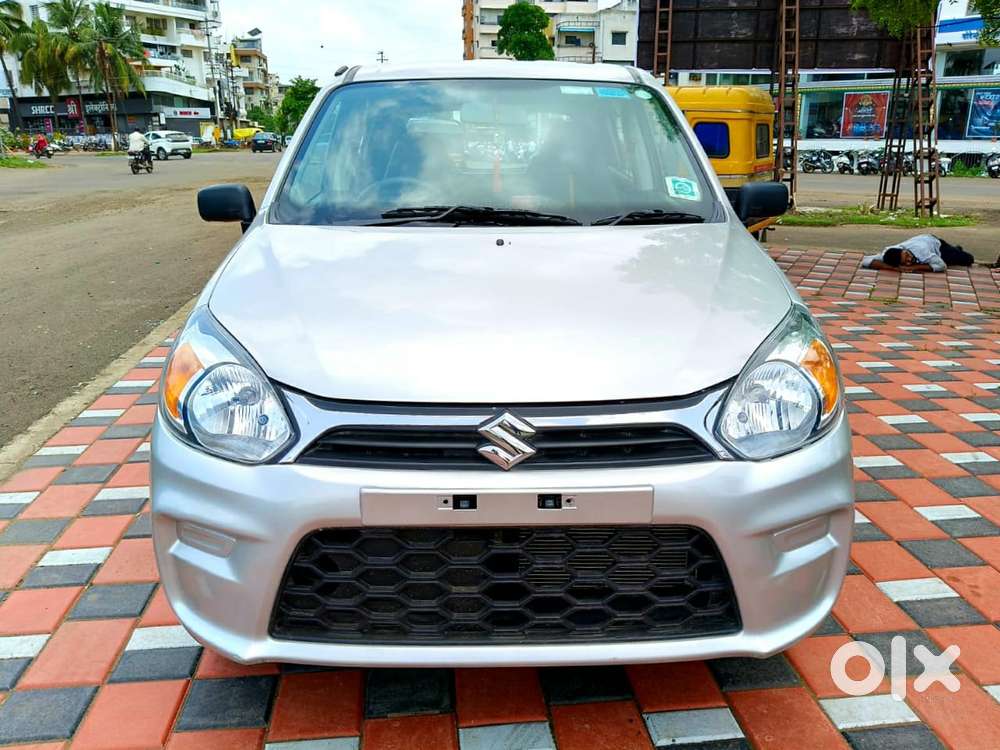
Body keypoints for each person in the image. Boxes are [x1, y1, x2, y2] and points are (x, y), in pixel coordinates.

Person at [862, 234, 974, 273]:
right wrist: (892, 268)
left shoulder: (922, 252)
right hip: (921, 241)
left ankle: (956, 249)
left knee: (968, 259)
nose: (909, 260)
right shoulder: (888, 253)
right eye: (905, 262)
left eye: (907, 256)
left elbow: (942, 266)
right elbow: (865, 261)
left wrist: (915, 267)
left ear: (904, 250)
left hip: (937, 246)